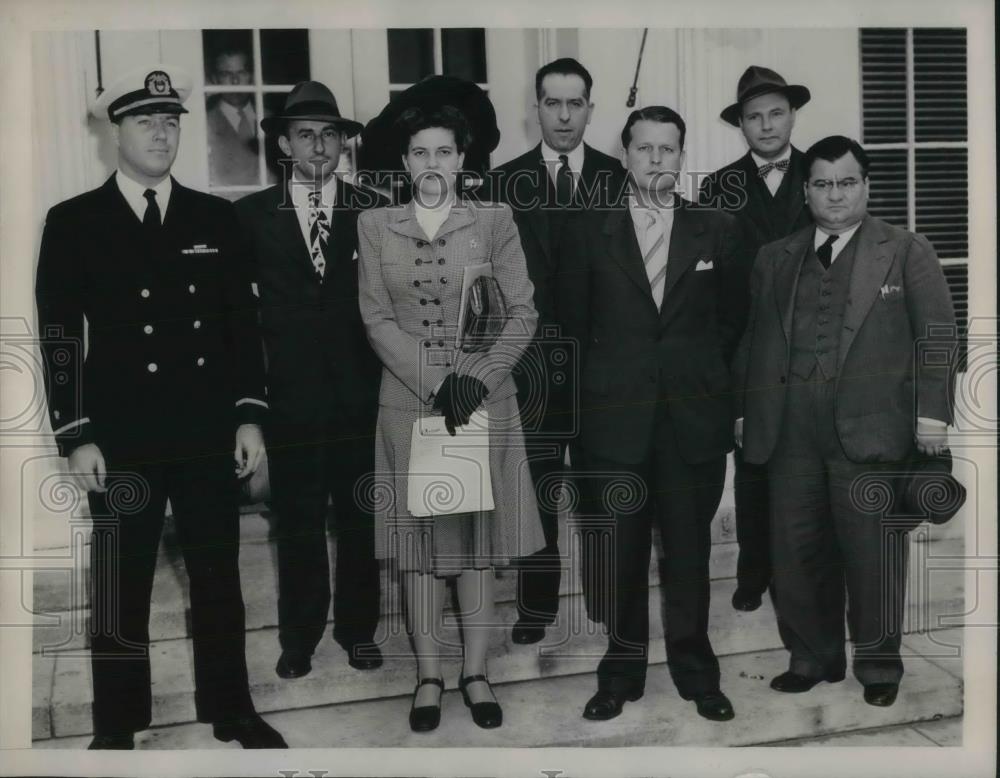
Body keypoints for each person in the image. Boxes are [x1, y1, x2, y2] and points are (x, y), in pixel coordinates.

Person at [35, 65, 285, 749]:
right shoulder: (75, 221)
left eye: (171, 120)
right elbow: (60, 335)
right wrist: (76, 432)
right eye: (145, 120)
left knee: (216, 579)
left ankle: (230, 709)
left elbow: (241, 325)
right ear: (114, 130)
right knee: (121, 588)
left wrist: (248, 413)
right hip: (120, 436)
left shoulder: (215, 217)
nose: (160, 132)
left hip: (206, 430)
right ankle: (117, 726)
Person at [732, 135, 956, 707]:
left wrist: (933, 415)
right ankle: (812, 656)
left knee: (872, 554)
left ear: (866, 186)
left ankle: (879, 666)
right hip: (790, 433)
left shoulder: (906, 250)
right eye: (824, 183)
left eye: (847, 181)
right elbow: (752, 340)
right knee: (795, 551)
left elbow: (936, 337)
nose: (836, 194)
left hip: (871, 430)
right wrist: (743, 409)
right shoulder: (774, 257)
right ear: (806, 191)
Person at [357, 104, 545, 732]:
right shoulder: (376, 224)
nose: (431, 164)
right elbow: (376, 318)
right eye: (419, 153)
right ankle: (429, 676)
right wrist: (438, 380)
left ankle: (476, 671)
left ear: (462, 159)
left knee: (474, 548)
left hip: (480, 405)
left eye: (443, 151)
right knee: (417, 549)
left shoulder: (493, 220)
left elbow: (522, 312)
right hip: (411, 405)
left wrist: (477, 377)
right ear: (404, 162)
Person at [560, 106, 745, 723]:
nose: (657, 159)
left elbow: (732, 323)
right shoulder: (590, 228)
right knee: (620, 551)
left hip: (692, 420)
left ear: (681, 156)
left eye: (669, 149)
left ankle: (698, 673)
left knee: (689, 553)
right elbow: (572, 326)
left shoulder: (717, 228)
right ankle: (620, 672)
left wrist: (711, 390)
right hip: (615, 420)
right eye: (645, 148)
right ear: (627, 154)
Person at [234, 81, 385, 680]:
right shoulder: (247, 218)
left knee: (360, 517)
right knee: (296, 521)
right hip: (290, 400)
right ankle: (299, 636)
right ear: (283, 145)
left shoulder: (372, 210)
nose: (319, 147)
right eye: (306, 135)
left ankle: (358, 630)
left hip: (362, 396)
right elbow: (239, 320)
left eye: (330, 135)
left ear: (343, 144)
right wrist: (251, 404)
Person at [489, 57, 625, 644]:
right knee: (536, 488)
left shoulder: (619, 177)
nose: (564, 115)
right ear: (535, 108)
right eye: (553, 103)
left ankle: (604, 598)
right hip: (533, 365)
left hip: (601, 363)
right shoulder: (502, 181)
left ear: (591, 109)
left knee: (600, 487)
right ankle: (537, 606)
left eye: (576, 103)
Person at [699, 65, 814, 613]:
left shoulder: (824, 173)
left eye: (775, 113)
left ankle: (807, 572)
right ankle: (753, 572)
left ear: (792, 115)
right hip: (747, 347)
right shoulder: (719, 186)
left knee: (812, 462)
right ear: (740, 125)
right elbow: (713, 278)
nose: (766, 125)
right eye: (753, 117)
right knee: (752, 464)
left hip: (816, 343)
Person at [206, 46, 259, 186]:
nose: (235, 81)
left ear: (252, 77)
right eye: (225, 74)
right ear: (215, 79)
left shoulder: (273, 117)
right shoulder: (205, 123)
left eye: (241, 73)